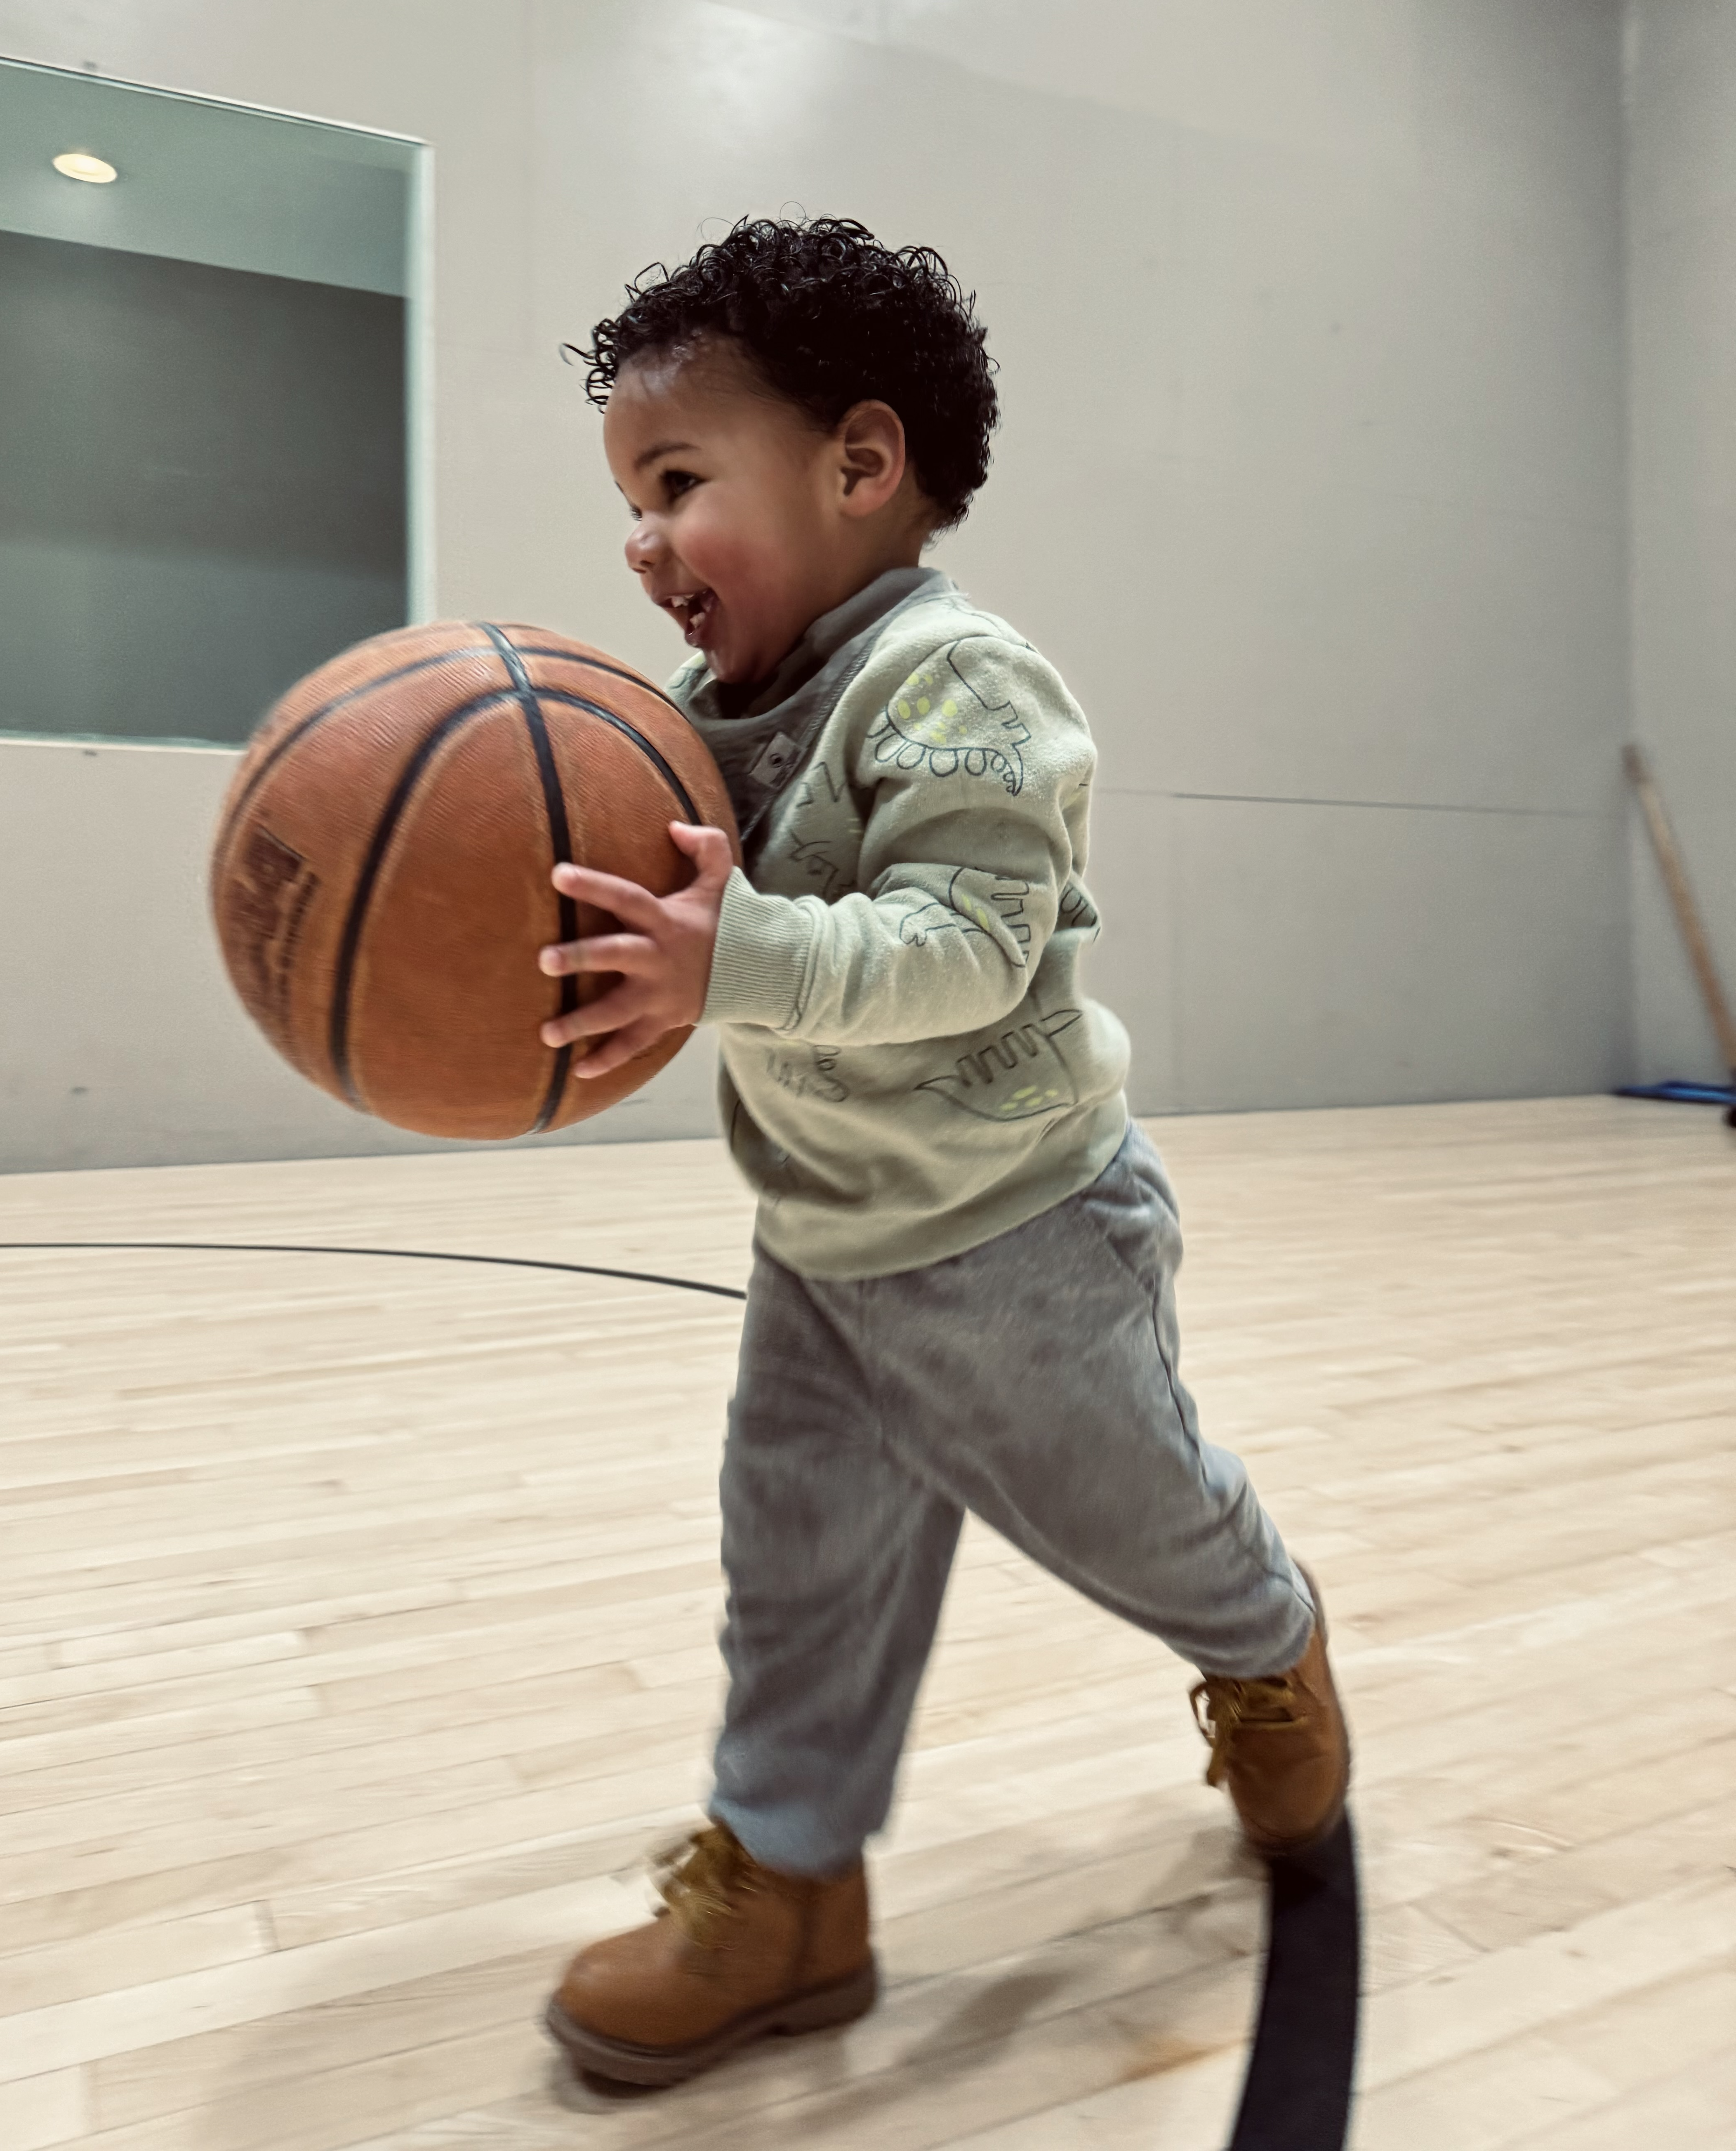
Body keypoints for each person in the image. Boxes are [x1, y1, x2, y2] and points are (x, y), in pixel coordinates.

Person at [536, 217, 1348, 2087]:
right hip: (824, 1241)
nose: (642, 540)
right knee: (792, 1563)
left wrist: (729, 960)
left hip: (1023, 1240)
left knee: (1143, 1520)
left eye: (676, 483)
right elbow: (693, 936)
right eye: (629, 500)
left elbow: (969, 956)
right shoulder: (695, 725)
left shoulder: (965, 687)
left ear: (861, 464)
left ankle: (1269, 1643)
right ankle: (796, 1893)